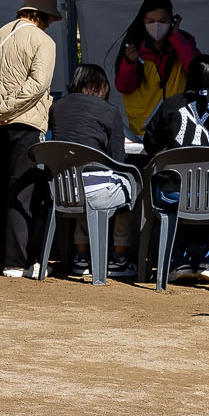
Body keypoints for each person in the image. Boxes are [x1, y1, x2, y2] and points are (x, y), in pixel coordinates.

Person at [0, 0, 62, 278]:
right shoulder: (43, 41)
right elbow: (37, 86)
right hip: (27, 124)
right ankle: (14, 261)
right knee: (24, 193)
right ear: (42, 15)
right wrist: (1, 110)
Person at [140, 51, 209, 284]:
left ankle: (177, 262)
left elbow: (150, 145)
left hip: (173, 194)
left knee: (168, 190)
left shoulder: (170, 104)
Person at [48, 62, 133, 277]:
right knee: (131, 185)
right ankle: (120, 257)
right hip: (94, 192)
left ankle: (80, 256)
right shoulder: (109, 111)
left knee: (82, 182)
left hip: (61, 190)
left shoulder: (56, 108)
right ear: (102, 85)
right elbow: (117, 159)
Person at [113, 0, 199, 136]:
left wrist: (176, 37)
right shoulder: (134, 45)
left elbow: (197, 72)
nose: (157, 26)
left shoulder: (184, 41)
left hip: (178, 127)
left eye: (163, 21)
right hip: (142, 131)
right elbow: (123, 87)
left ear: (172, 20)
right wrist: (130, 63)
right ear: (143, 21)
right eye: (151, 21)